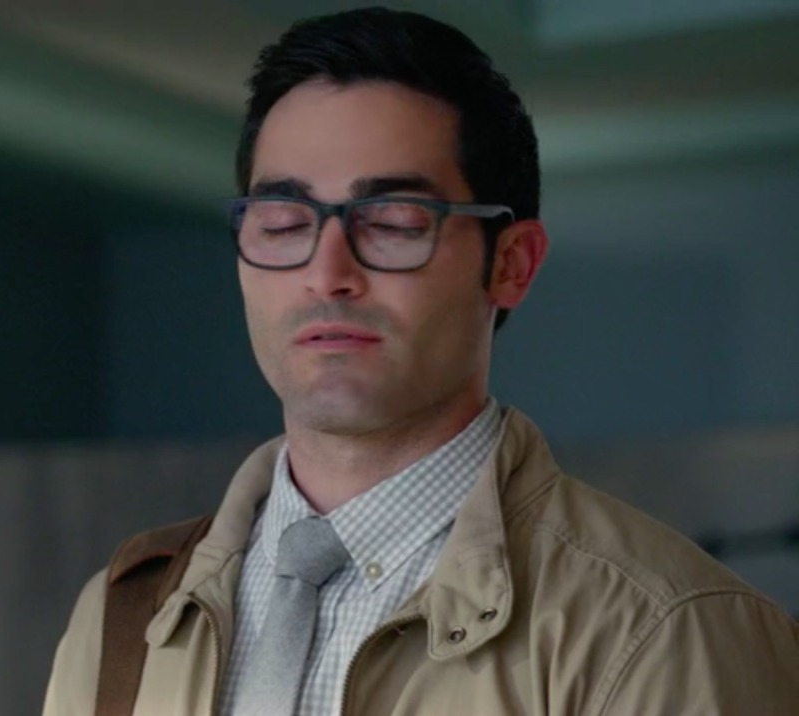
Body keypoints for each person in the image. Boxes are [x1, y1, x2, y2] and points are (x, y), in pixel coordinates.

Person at [44, 7, 799, 715]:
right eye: (282, 222)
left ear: (511, 264)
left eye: (394, 222)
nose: (327, 273)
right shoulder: (123, 615)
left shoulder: (667, 630)